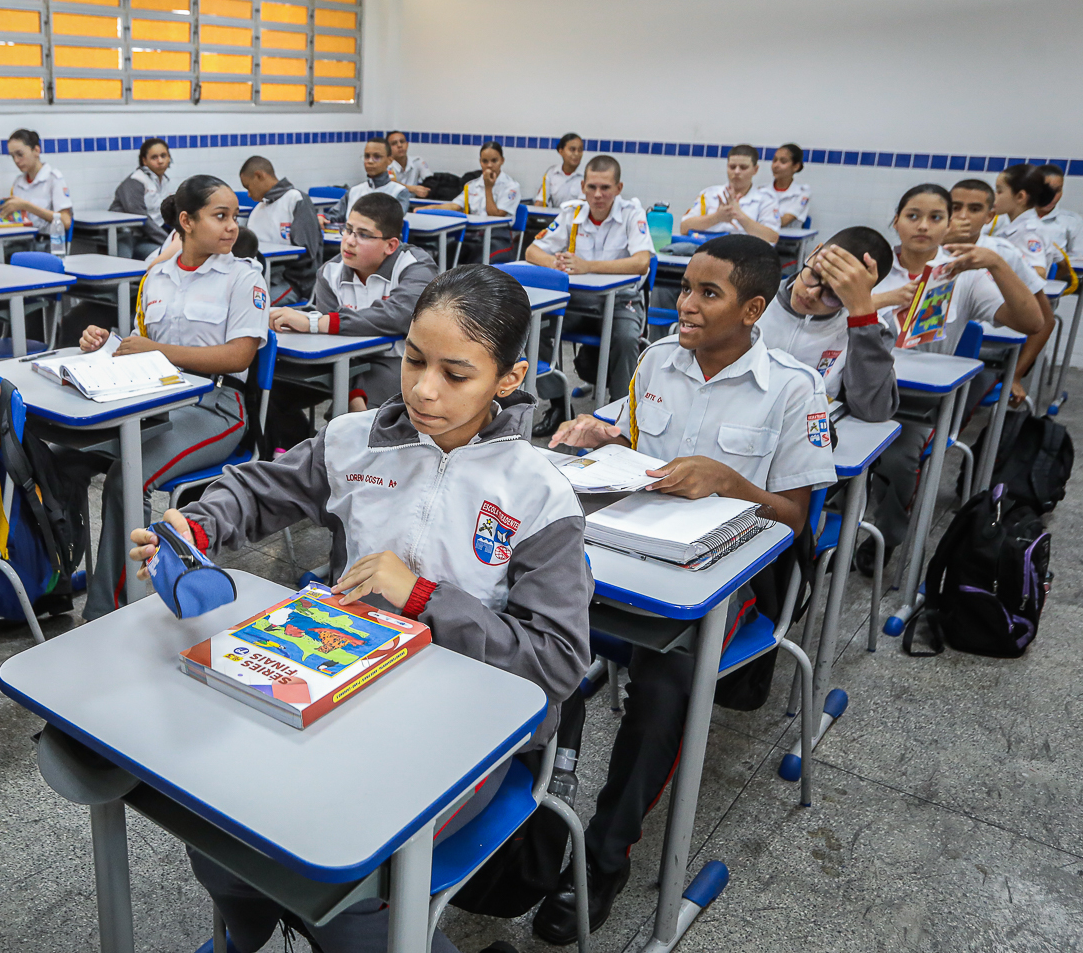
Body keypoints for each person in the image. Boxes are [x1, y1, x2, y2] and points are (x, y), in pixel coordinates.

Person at [133, 265, 592, 953]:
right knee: (217, 811)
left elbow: (556, 663)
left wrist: (424, 599)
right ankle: (250, 929)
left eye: (455, 373)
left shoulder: (537, 495)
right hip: (344, 674)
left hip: (469, 728)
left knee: (347, 878)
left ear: (508, 377)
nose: (424, 389)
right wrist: (198, 526)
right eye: (412, 360)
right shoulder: (354, 440)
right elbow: (258, 492)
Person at [539, 235, 835, 940]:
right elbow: (635, 453)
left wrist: (727, 481)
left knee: (665, 680)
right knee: (527, 622)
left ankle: (606, 856)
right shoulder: (656, 361)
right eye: (685, 288)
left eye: (710, 293)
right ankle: (538, 806)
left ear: (754, 308)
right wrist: (598, 440)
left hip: (731, 578)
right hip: (631, 548)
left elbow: (795, 519)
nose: (687, 305)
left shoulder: (795, 388)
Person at [61, 175, 268, 621]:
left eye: (235, 216)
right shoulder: (156, 276)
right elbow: (140, 342)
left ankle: (107, 613)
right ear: (186, 222)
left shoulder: (243, 277)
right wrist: (105, 343)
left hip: (215, 408)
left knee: (128, 477)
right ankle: (54, 584)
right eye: (220, 216)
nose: (232, 227)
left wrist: (157, 351)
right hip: (154, 402)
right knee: (60, 456)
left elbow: (239, 355)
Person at [865, 184, 1040, 562]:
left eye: (935, 218)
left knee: (897, 457)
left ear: (948, 225)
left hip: (919, 403)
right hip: (862, 389)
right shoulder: (873, 267)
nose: (923, 226)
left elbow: (1032, 321)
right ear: (896, 221)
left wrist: (995, 263)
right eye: (913, 216)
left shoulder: (963, 275)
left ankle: (886, 536)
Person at [269, 193, 436, 411]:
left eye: (363, 235)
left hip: (404, 361)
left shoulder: (415, 267)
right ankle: (295, 440)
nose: (349, 241)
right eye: (348, 230)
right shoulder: (330, 272)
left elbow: (400, 316)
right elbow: (332, 342)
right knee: (273, 389)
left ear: (391, 245)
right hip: (349, 361)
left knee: (359, 408)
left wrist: (314, 323)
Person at [523, 154, 651, 397]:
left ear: (618, 188)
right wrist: (554, 263)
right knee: (534, 326)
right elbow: (532, 250)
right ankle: (558, 404)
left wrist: (588, 266)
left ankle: (619, 411)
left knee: (625, 339)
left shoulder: (632, 213)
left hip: (622, 301)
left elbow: (642, 262)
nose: (598, 194)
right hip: (577, 301)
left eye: (605, 187)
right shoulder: (572, 213)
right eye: (592, 187)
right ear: (583, 187)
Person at [755, 227, 898, 421]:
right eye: (814, 274)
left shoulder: (873, 331)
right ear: (815, 252)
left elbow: (873, 410)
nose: (811, 293)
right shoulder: (757, 296)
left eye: (833, 293)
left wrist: (862, 316)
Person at [950, 178, 1053, 407]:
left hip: (982, 350)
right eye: (955, 207)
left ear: (989, 216)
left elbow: (1045, 321)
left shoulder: (1002, 253)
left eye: (975, 209)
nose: (963, 216)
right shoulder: (926, 248)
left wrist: (1015, 375)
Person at [239, 154, 321, 303]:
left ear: (259, 176)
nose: (249, 194)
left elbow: (308, 252)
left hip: (294, 280)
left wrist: (273, 266)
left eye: (248, 187)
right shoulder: (258, 210)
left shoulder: (296, 200)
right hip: (262, 278)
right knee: (233, 301)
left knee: (250, 306)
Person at [676, 144, 780, 245]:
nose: (737, 171)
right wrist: (716, 217)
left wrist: (740, 216)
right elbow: (684, 228)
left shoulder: (766, 199)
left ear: (755, 169)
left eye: (743, 167)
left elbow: (772, 237)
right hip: (709, 251)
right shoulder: (709, 194)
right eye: (732, 167)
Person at [0, 127, 72, 238]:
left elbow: (66, 222)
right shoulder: (18, 182)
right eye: (12, 156)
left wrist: (26, 206)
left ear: (36, 150)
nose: (16, 160)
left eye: (20, 154)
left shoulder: (53, 179)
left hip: (46, 242)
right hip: (22, 240)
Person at [982, 164, 1051, 280]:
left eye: (999, 191)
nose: (994, 197)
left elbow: (1039, 272)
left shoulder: (1028, 232)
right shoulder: (1016, 227)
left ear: (1020, 197)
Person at [109, 137, 172, 256]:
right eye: (154, 157)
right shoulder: (136, 181)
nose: (160, 161)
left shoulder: (163, 181)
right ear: (144, 161)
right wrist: (168, 241)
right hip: (126, 236)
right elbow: (141, 217)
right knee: (167, 254)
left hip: (148, 236)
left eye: (163, 156)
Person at [338, 136, 415, 219]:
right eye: (367, 156)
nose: (370, 161)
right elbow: (332, 216)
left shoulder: (399, 192)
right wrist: (322, 218)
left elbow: (392, 221)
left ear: (389, 160)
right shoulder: (354, 191)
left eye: (377, 157)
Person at [1033, 163, 1083, 261]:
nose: (1051, 197)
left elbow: (1082, 255)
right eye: (1045, 191)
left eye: (1057, 191)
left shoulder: (1071, 221)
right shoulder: (1015, 216)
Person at [456, 140, 522, 218]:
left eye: (494, 161)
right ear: (480, 162)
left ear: (502, 161)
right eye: (485, 161)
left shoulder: (512, 187)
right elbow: (456, 205)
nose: (489, 165)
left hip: (498, 228)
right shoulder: (472, 185)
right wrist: (437, 208)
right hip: (475, 227)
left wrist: (488, 187)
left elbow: (495, 216)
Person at [767, 143, 811, 229]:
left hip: (788, 241)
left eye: (783, 161)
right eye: (774, 160)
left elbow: (783, 221)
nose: (776, 165)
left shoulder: (803, 193)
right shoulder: (762, 191)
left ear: (796, 166)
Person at [538, 132, 586, 208]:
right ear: (561, 151)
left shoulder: (586, 176)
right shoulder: (551, 173)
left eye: (580, 150)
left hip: (576, 218)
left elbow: (583, 206)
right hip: (554, 218)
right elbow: (541, 201)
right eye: (572, 149)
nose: (577, 154)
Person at [385, 129, 432, 198]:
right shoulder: (385, 164)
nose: (399, 145)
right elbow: (390, 184)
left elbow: (430, 179)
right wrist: (412, 189)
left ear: (407, 144)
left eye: (402, 142)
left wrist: (426, 190)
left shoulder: (417, 161)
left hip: (413, 204)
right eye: (394, 143)